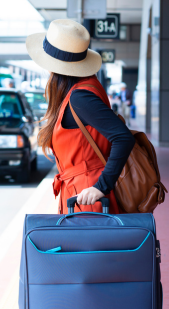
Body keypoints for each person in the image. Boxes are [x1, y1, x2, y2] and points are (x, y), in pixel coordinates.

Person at [26, 19, 135, 214]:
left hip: (87, 196)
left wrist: (101, 186)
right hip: (82, 192)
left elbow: (123, 137)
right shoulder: (85, 88)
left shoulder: (79, 97)